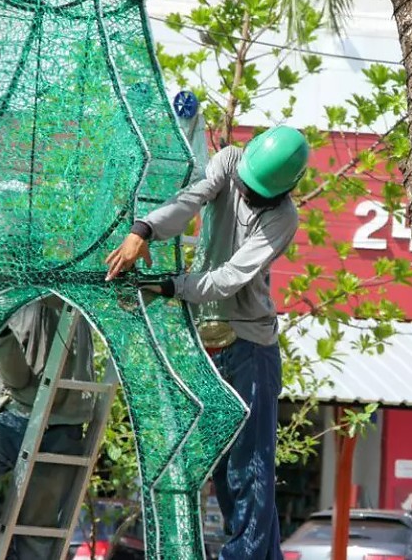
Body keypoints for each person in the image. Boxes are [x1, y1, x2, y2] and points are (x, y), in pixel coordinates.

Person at [105, 125, 309, 559]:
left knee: (249, 470)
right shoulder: (230, 161)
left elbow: (229, 278)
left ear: (285, 191)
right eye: (249, 190)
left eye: (261, 194)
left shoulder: (283, 218)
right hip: (209, 342)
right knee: (225, 472)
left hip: (250, 345)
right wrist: (143, 230)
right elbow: (190, 203)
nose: (251, 197)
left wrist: (171, 286)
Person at [0, 296, 95, 560]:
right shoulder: (12, 297)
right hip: (11, 413)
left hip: (63, 422)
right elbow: (16, 379)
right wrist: (2, 332)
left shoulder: (79, 289)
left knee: (36, 529)